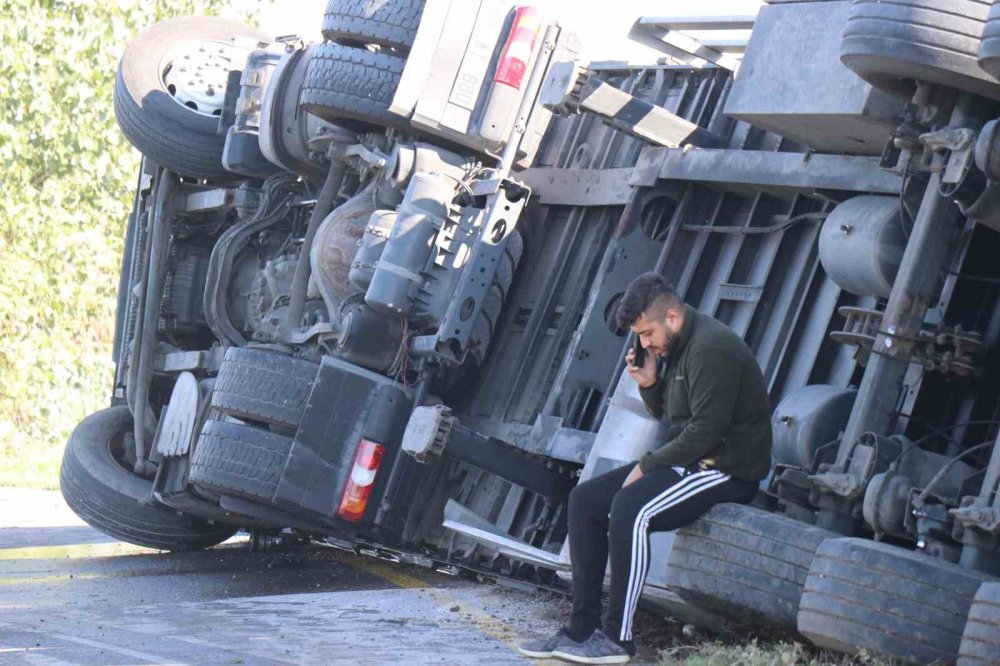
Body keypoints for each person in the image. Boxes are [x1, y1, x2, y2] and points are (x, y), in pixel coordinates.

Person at [518, 272, 772, 664]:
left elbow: (706, 431)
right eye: (640, 336)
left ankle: (618, 641)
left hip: (726, 469)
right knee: (584, 500)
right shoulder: (677, 348)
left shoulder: (710, 348)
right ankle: (582, 631)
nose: (645, 343)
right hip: (693, 459)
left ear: (672, 315)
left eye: (648, 333)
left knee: (629, 510)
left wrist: (647, 466)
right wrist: (650, 384)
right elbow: (675, 421)